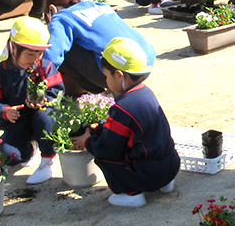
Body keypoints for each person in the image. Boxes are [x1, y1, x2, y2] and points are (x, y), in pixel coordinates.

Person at [71, 37, 180, 207]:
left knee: (103, 157)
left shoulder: (122, 108)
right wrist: (101, 127)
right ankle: (166, 184)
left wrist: (87, 141)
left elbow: (108, 148)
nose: (106, 81)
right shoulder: (146, 93)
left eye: (107, 75)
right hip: (171, 165)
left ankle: (132, 194)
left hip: (148, 175)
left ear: (119, 74)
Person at [0, 16, 64, 184]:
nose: (35, 59)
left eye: (39, 54)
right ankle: (29, 149)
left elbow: (58, 92)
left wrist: (46, 99)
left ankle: (48, 160)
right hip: (17, 123)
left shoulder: (46, 67)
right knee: (8, 155)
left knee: (45, 118)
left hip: (43, 117)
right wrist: (4, 111)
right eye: (30, 54)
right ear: (12, 48)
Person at [43, 0, 157, 97]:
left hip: (121, 73)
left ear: (52, 9)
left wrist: (37, 80)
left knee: (65, 50)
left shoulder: (62, 17)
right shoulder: (99, 6)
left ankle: (100, 93)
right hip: (147, 62)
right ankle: (102, 92)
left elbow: (53, 55)